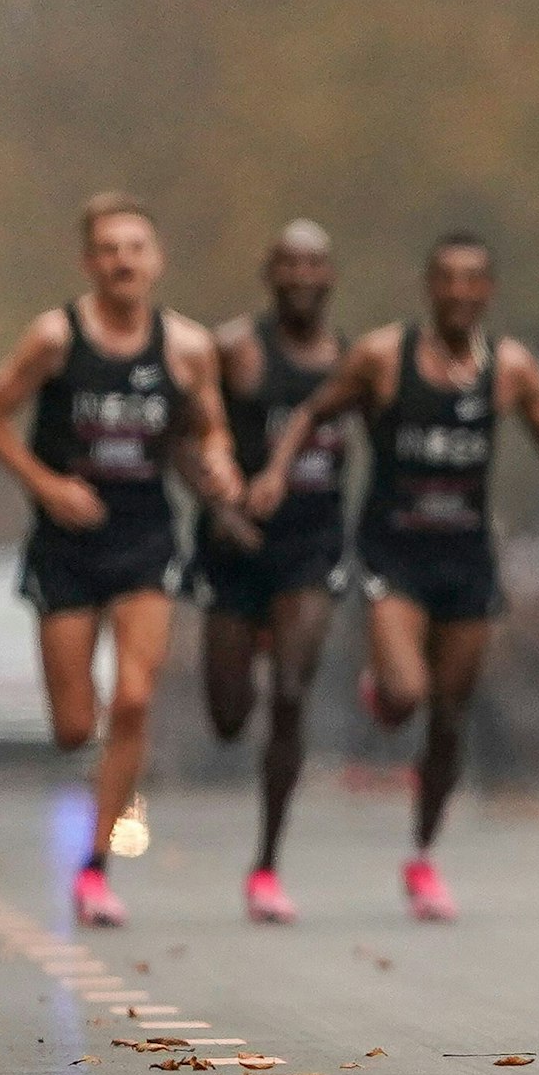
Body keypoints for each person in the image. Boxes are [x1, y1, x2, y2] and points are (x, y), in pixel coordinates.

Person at [249, 232, 539, 920]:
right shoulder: (383, 358)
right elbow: (312, 413)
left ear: (489, 291)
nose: (458, 292)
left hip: (466, 560)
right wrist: (275, 471)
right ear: (429, 286)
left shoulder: (509, 368)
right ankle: (383, 687)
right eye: (446, 279)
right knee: (407, 691)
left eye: (472, 280)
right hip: (395, 553)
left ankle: (422, 855)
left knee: (450, 717)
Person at [0, 192, 243, 927]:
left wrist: (220, 466)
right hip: (66, 545)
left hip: (144, 537)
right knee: (71, 725)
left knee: (133, 697)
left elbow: (211, 428)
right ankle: (90, 780)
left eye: (136, 248)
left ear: (155, 261)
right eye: (109, 249)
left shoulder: (185, 347)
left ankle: (94, 868)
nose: (123, 261)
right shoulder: (55, 338)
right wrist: (49, 485)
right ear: (90, 262)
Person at [192, 220, 350, 924]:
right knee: (230, 718)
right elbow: (183, 431)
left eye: (312, 263)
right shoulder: (233, 348)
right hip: (235, 542)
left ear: (330, 276)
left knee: (291, 690)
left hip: (310, 547)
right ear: (269, 273)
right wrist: (217, 503)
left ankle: (266, 863)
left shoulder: (352, 362)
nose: (300, 276)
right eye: (287, 263)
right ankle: (243, 660)